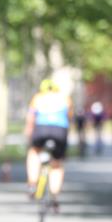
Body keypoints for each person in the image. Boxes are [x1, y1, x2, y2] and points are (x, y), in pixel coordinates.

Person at [25, 78, 72, 211]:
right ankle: (55, 196)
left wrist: (28, 135)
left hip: (41, 129)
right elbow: (69, 118)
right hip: (59, 131)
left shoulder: (38, 98)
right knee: (57, 164)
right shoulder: (65, 98)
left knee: (34, 152)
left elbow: (30, 119)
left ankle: (32, 184)